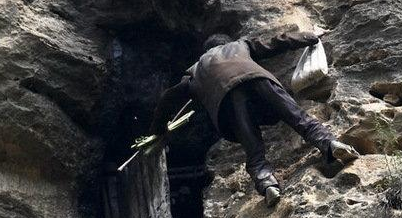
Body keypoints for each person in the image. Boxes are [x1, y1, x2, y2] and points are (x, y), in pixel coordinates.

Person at [148, 29, 360, 206]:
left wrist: (158, 130)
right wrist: (310, 37)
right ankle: (331, 144)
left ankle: (267, 184)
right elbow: (277, 42)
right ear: (227, 43)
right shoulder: (241, 45)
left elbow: (168, 98)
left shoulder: (195, 71)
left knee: (253, 149)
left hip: (228, 100)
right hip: (259, 80)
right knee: (299, 118)